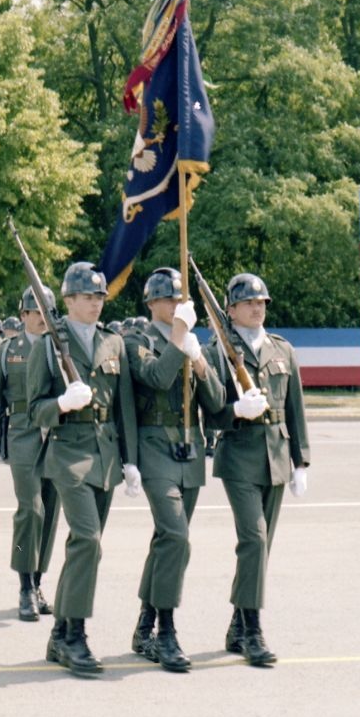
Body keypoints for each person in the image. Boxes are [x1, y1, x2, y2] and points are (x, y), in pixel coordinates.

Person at [26, 261, 140, 676]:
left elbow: (124, 406)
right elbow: (33, 410)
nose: (94, 303)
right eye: (87, 297)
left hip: (106, 456)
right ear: (68, 300)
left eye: (99, 297)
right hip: (68, 455)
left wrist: (131, 460)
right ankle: (75, 635)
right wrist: (60, 404)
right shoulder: (47, 345)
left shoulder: (114, 344)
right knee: (88, 540)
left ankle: (59, 634)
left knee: (83, 546)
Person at [202, 272, 310, 668]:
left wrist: (302, 460)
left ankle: (236, 623)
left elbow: (295, 408)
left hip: (277, 458)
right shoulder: (217, 351)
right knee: (255, 540)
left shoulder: (282, 350)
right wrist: (234, 412)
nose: (257, 307)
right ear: (230, 310)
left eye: (261, 302)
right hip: (240, 457)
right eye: (248, 302)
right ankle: (252, 630)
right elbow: (209, 411)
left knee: (261, 550)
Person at [123, 267, 226, 672]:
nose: (175, 304)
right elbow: (156, 377)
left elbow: (216, 401)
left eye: (180, 298)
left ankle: (144, 625)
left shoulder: (192, 341)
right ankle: (166, 630)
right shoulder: (138, 340)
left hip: (191, 450)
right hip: (154, 447)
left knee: (167, 540)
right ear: (151, 303)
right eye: (168, 299)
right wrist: (179, 340)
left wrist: (199, 360)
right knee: (177, 537)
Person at [0, 285, 61, 622]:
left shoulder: (61, 348)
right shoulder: (7, 350)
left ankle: (39, 581)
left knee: (52, 512)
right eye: (34, 312)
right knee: (31, 509)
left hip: (57, 435)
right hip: (24, 433)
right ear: (23, 315)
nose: (40, 319)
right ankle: (24, 585)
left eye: (46, 313)